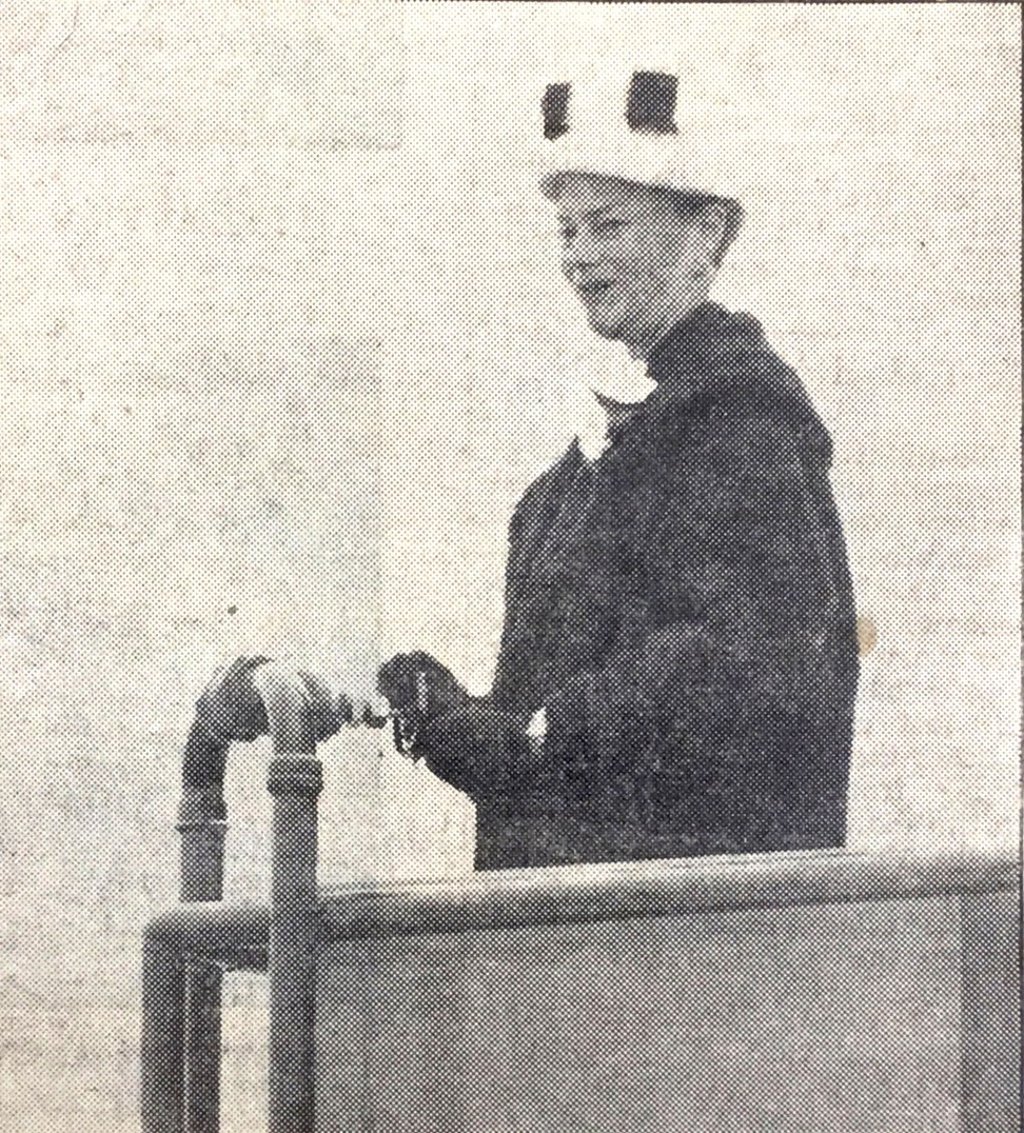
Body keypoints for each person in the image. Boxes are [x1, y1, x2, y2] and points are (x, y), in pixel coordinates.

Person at [188, 70, 860, 872]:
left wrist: (533, 734)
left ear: (708, 235)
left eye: (606, 226)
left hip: (682, 950)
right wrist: (460, 722)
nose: (578, 259)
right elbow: (566, 743)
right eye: (566, 231)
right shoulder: (579, 475)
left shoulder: (738, 424)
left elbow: (743, 667)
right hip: (577, 943)